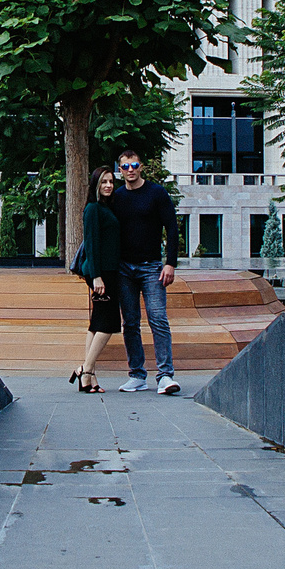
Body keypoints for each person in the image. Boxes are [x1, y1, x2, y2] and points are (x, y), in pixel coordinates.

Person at [105, 148, 181, 394]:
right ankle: (137, 375)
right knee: (130, 323)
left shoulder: (156, 193)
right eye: (125, 167)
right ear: (120, 170)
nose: (130, 170)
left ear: (141, 167)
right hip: (124, 269)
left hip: (151, 267)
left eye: (134, 165)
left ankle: (165, 375)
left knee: (158, 319)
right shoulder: (117, 197)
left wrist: (170, 263)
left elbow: (172, 227)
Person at [70, 164, 121, 393]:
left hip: (109, 271)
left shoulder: (106, 207)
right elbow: (91, 244)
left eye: (111, 181)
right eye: (104, 182)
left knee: (97, 323)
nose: (108, 185)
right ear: (96, 185)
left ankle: (89, 377)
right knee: (109, 324)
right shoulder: (92, 209)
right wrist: (97, 277)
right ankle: (86, 369)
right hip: (101, 273)